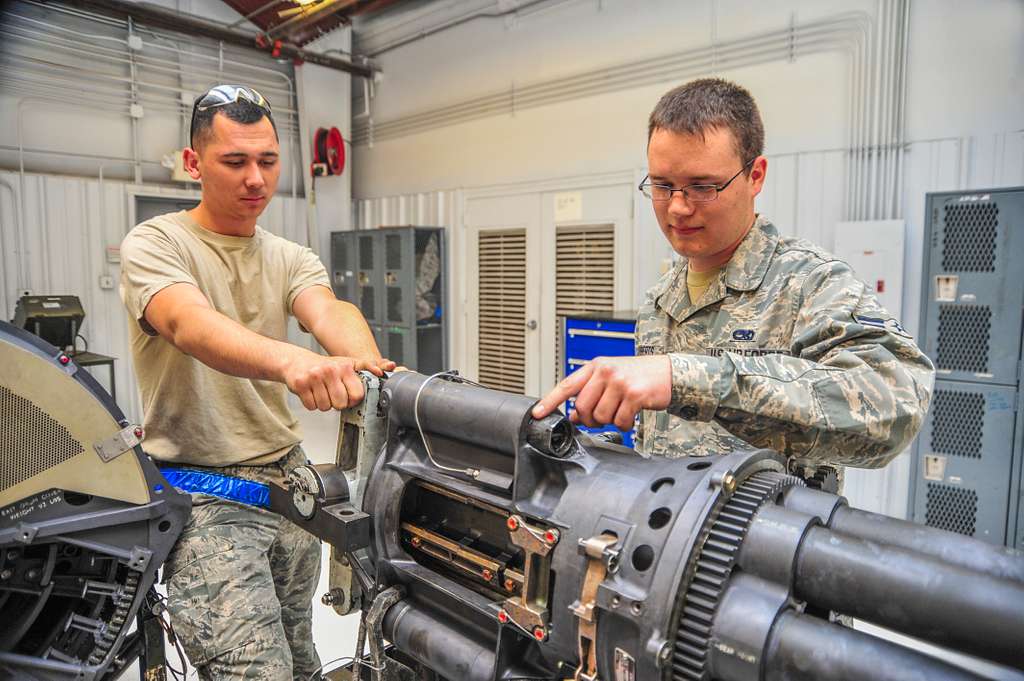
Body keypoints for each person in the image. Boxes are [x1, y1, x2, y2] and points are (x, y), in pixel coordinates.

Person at [120, 84, 393, 680]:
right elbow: (188, 323)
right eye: (235, 161)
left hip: (291, 483)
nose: (255, 179)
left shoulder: (289, 255)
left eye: (268, 161)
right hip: (208, 494)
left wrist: (373, 369)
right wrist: (293, 363)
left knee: (302, 657)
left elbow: (327, 309)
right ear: (194, 163)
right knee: (254, 672)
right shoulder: (158, 244)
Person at [533, 78, 934, 475]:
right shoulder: (661, 299)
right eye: (662, 185)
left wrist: (688, 379)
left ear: (755, 176)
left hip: (761, 535)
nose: (677, 208)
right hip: (669, 531)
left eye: (702, 187)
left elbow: (894, 409)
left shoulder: (810, 282)